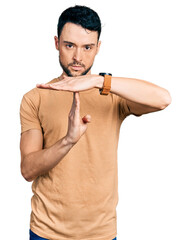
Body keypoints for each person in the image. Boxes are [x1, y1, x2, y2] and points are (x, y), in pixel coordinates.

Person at [20, 5, 171, 240]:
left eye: (87, 47)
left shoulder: (111, 93)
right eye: (69, 45)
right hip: (46, 232)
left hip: (101, 233)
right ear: (57, 43)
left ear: (98, 47)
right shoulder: (35, 97)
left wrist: (99, 82)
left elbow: (163, 99)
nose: (78, 57)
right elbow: (28, 169)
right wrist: (68, 141)